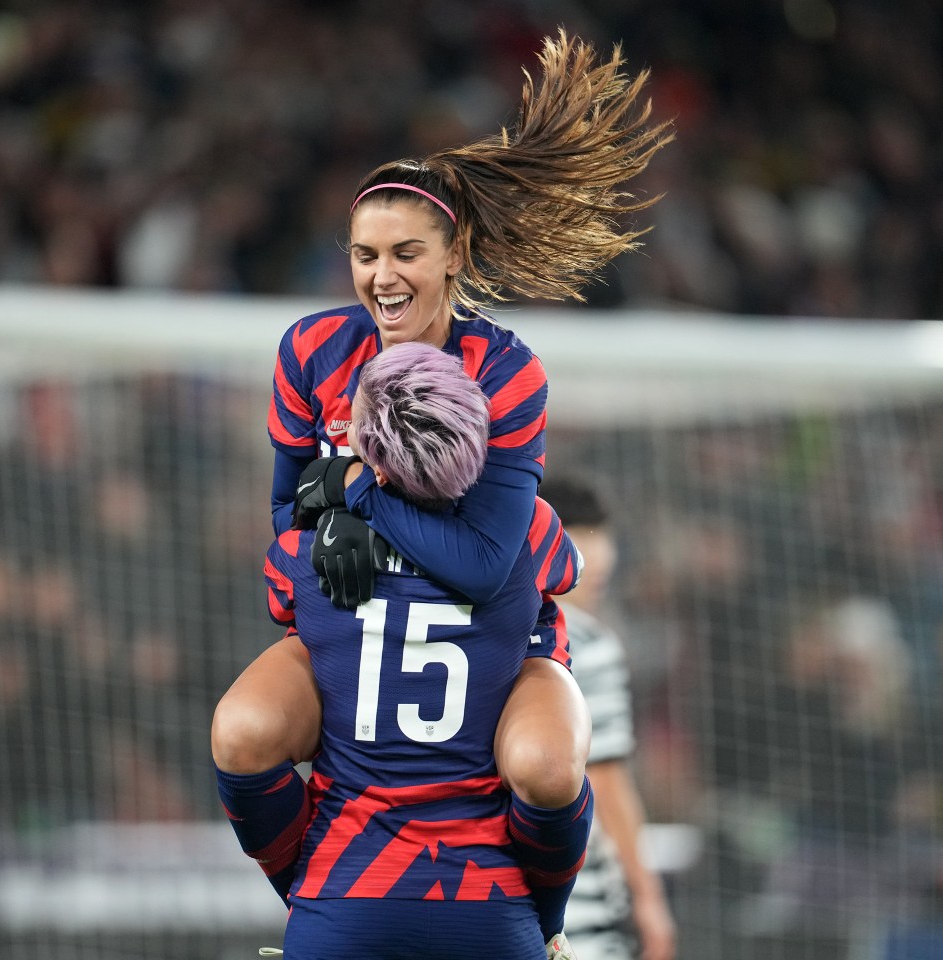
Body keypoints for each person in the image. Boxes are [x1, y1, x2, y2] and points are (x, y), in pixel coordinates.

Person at [211, 30, 672, 950]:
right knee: (244, 730)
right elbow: (282, 514)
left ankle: (544, 929)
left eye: (406, 253)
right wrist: (317, 539)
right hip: (361, 624)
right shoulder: (310, 351)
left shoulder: (510, 372)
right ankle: (318, 892)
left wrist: (355, 503)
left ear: (454, 251)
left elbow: (490, 557)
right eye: (363, 254)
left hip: (493, 630)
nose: (382, 277)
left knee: (545, 764)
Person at [258, 342, 585, 959]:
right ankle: (552, 932)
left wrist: (344, 503)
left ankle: (294, 895)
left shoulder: (303, 558)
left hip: (343, 897)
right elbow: (566, 569)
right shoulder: (533, 533)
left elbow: (281, 598)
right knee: (553, 764)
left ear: (374, 465)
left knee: (243, 738)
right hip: (489, 903)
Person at [539, 474, 678, 960]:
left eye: (604, 537)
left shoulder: (488, 628)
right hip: (574, 903)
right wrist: (648, 897)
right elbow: (606, 781)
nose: (599, 556)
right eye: (581, 537)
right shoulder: (587, 643)